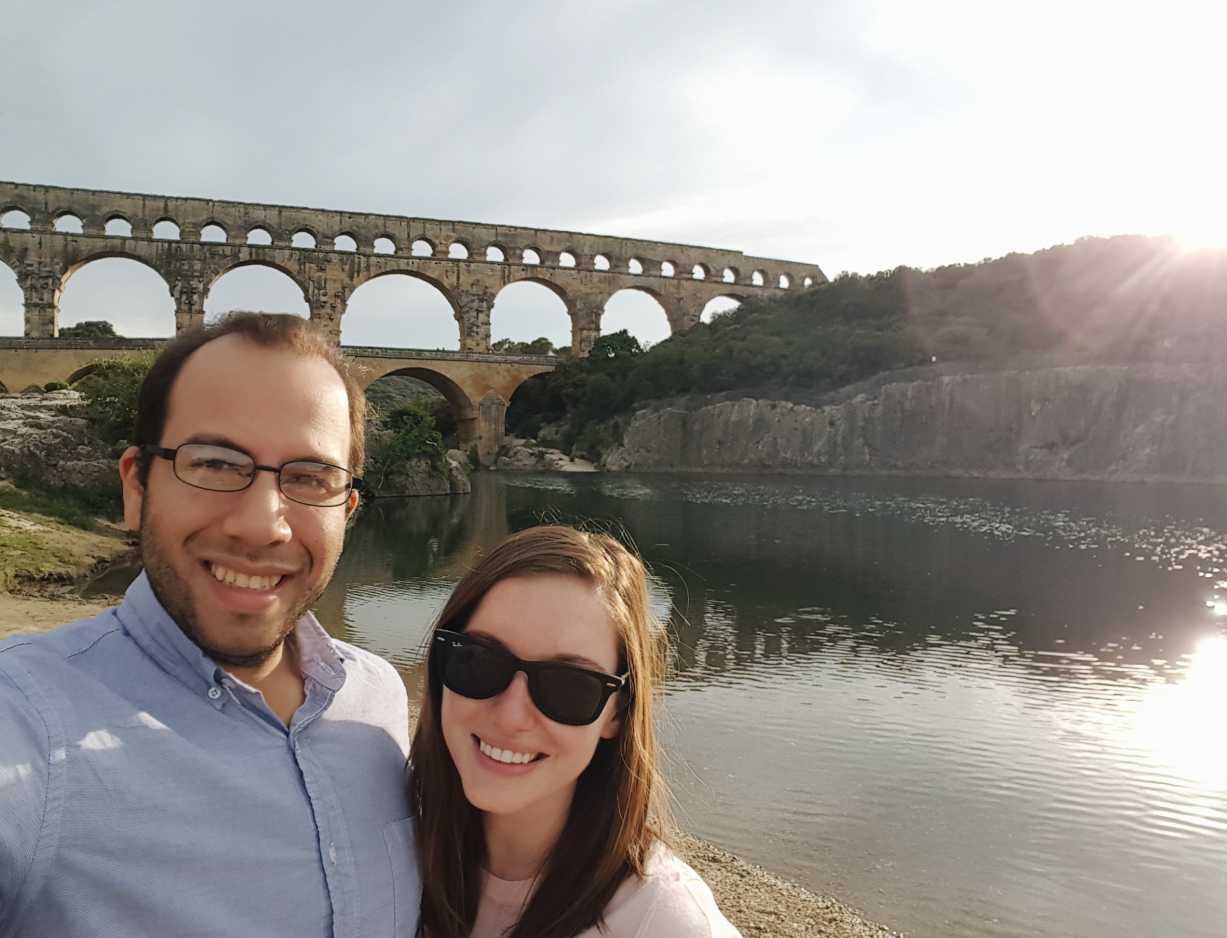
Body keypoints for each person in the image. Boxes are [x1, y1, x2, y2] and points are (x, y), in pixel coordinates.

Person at [0, 313, 418, 938]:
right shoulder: (29, 723)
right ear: (136, 486)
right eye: (217, 464)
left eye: (309, 477)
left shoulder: (378, 696)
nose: (261, 524)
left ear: (347, 510)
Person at [408, 525, 741, 937]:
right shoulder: (391, 852)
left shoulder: (661, 919)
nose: (512, 716)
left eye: (568, 686)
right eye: (478, 661)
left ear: (616, 715)